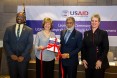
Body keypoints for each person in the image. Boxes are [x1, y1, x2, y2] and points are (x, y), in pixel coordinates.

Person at [3, 12, 33, 78]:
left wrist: (23, 56)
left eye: (21, 17)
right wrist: (11, 54)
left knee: (23, 75)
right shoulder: (9, 29)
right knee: (13, 76)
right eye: (18, 16)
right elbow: (5, 42)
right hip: (11, 59)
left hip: (23, 59)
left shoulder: (29, 30)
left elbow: (29, 44)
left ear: (24, 19)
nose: (19, 18)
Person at [81, 14, 109, 78]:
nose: (94, 22)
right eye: (92, 21)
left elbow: (106, 48)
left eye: (96, 21)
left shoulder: (103, 33)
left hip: (98, 63)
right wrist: (83, 59)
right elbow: (83, 48)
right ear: (90, 22)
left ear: (99, 23)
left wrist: (100, 60)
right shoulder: (86, 33)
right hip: (88, 63)